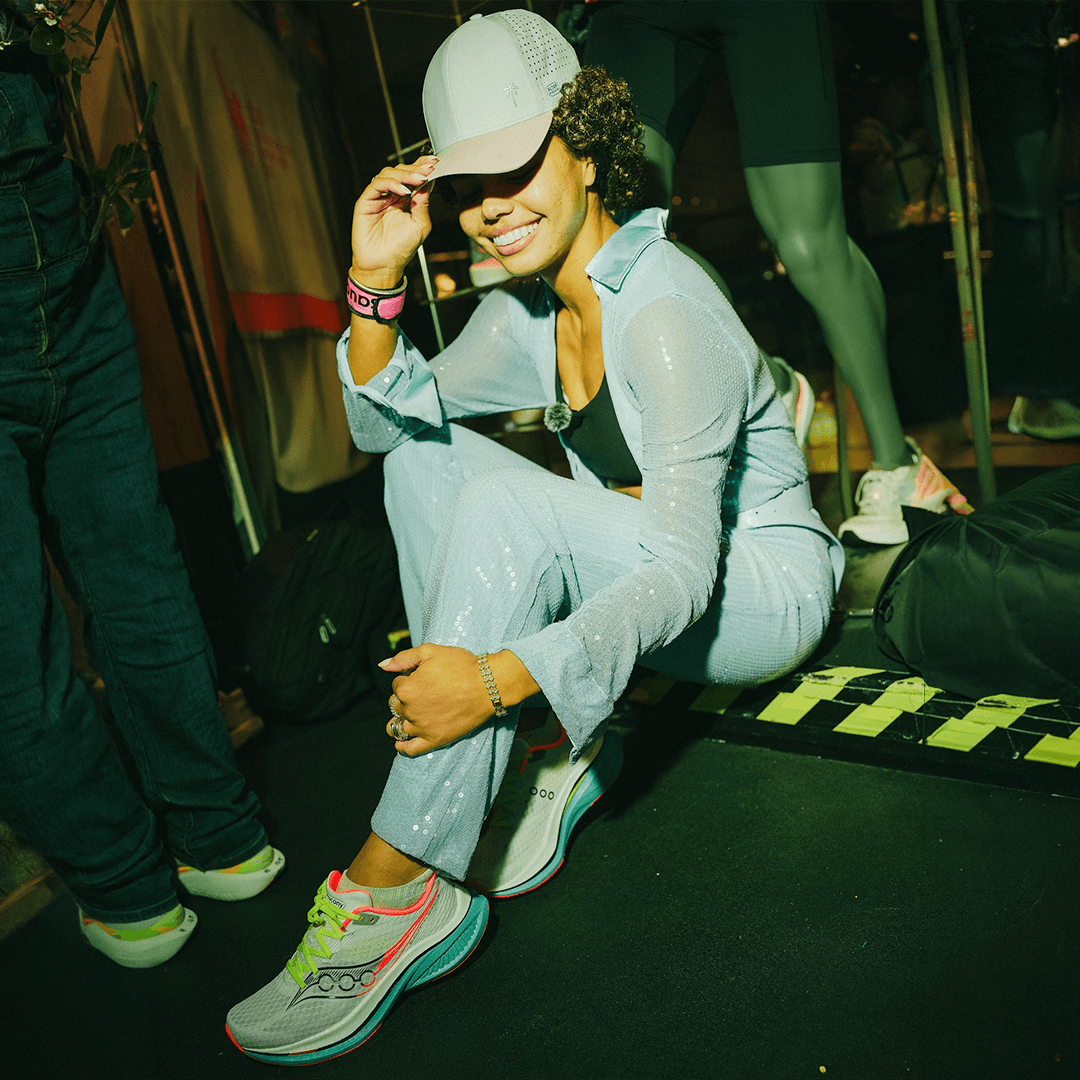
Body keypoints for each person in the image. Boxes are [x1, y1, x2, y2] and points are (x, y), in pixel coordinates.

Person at [226, 9, 842, 1064]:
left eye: (515, 167)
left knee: (511, 505)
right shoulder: (528, 316)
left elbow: (687, 574)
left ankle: (398, 882)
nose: (489, 209)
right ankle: (508, 750)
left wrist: (502, 678)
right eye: (464, 187)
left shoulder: (664, 309)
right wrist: (375, 280)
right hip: (640, 581)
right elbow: (388, 424)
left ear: (592, 147)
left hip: (758, 590)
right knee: (430, 456)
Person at [0, 26, 283, 969]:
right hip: (45, 195)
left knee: (11, 642)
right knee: (134, 566)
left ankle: (130, 895)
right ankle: (224, 838)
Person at [575, 0, 975, 545]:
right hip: (632, 10)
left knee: (809, 243)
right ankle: (765, 382)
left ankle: (899, 466)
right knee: (617, 236)